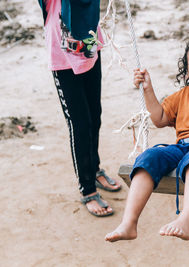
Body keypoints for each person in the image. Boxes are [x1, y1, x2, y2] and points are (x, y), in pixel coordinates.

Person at [105, 32, 189, 242]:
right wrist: (148, 89)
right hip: (182, 146)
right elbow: (159, 119)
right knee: (149, 157)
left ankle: (187, 220)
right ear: (186, 73)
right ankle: (129, 222)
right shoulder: (183, 95)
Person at [37, 0, 121, 217]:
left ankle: (94, 169)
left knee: (95, 115)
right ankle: (87, 188)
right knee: (80, 124)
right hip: (62, 55)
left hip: (90, 45)